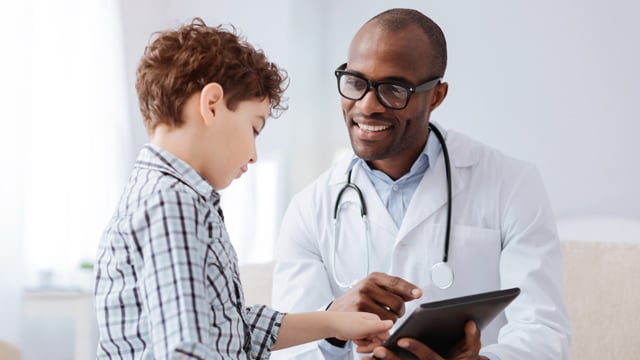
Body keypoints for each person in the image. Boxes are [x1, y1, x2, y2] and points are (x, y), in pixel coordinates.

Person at [271, 8, 571, 360]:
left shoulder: (512, 184)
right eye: (355, 82)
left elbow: (544, 332)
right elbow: (287, 352)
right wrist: (334, 328)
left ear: (437, 96)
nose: (367, 105)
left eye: (394, 89)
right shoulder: (310, 208)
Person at [93, 18, 394, 359]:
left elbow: (230, 329)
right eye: (254, 128)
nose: (253, 156)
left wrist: (334, 323)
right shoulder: (171, 204)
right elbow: (186, 349)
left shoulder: (170, 198)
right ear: (211, 105)